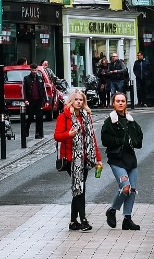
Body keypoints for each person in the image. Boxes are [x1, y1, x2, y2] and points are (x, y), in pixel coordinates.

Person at [54, 89, 102, 232]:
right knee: (79, 187)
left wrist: (97, 159)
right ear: (71, 101)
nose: (79, 102)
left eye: (81, 100)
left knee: (79, 188)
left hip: (86, 158)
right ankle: (83, 220)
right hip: (71, 159)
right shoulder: (64, 117)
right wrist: (68, 134)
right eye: (76, 99)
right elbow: (57, 136)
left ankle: (73, 221)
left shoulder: (87, 116)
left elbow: (92, 139)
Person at [102, 92, 144, 231]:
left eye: (123, 101)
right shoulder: (110, 121)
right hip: (117, 159)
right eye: (118, 101)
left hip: (131, 160)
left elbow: (139, 136)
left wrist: (134, 142)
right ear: (113, 103)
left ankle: (127, 219)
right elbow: (105, 139)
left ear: (126, 103)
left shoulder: (131, 121)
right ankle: (112, 210)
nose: (120, 103)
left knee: (132, 190)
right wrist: (122, 142)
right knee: (125, 187)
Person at [23, 63, 46, 139]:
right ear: (30, 69)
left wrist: (45, 100)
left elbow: (43, 90)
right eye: (33, 70)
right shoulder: (26, 79)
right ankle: (26, 131)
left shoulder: (40, 78)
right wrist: (25, 100)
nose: (34, 71)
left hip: (39, 100)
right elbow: (24, 90)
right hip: (30, 100)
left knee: (39, 117)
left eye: (35, 70)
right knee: (30, 117)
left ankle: (38, 133)